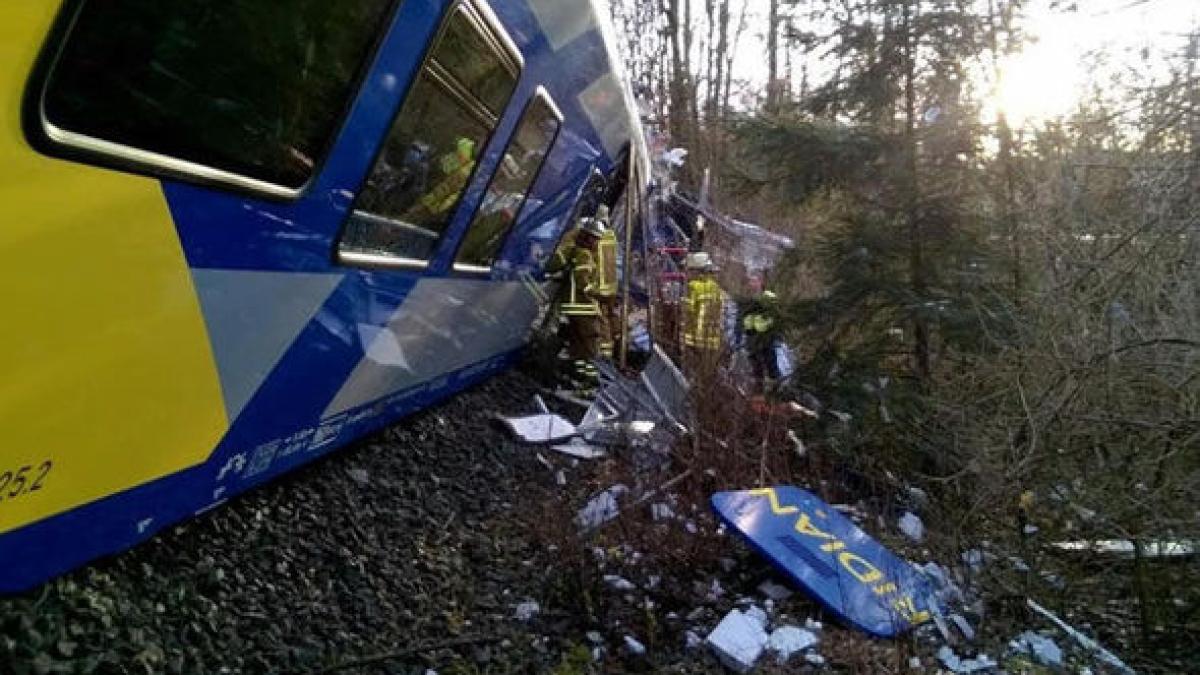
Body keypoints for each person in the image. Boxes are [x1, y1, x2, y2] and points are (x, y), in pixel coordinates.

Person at [547, 213, 612, 381]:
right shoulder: (584, 255)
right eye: (595, 238)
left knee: (578, 345)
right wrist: (599, 295)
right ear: (588, 237)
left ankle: (577, 373)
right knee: (591, 345)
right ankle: (589, 380)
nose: (597, 243)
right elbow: (582, 282)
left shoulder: (575, 251)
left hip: (573, 305)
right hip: (583, 306)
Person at [682, 252, 725, 369]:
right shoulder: (716, 288)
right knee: (705, 369)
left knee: (690, 369)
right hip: (712, 339)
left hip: (694, 338)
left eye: (690, 270)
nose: (688, 273)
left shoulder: (693, 286)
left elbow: (687, 312)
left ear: (697, 271)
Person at [742, 289, 782, 391]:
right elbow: (759, 327)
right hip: (760, 344)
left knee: (765, 366)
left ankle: (769, 386)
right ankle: (763, 388)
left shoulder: (752, 310)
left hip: (758, 344)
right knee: (763, 366)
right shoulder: (757, 312)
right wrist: (770, 322)